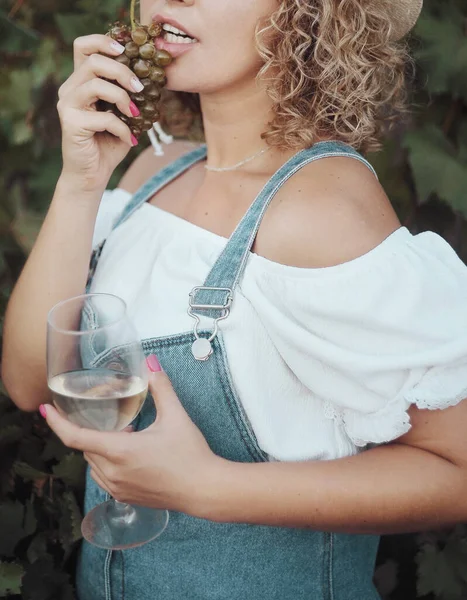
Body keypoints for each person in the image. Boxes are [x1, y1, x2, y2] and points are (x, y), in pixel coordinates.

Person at [3, 0, 467, 598]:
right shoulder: (153, 168)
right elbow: (29, 383)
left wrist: (207, 487)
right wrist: (81, 182)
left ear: (309, 12)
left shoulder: (321, 211)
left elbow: (457, 471)